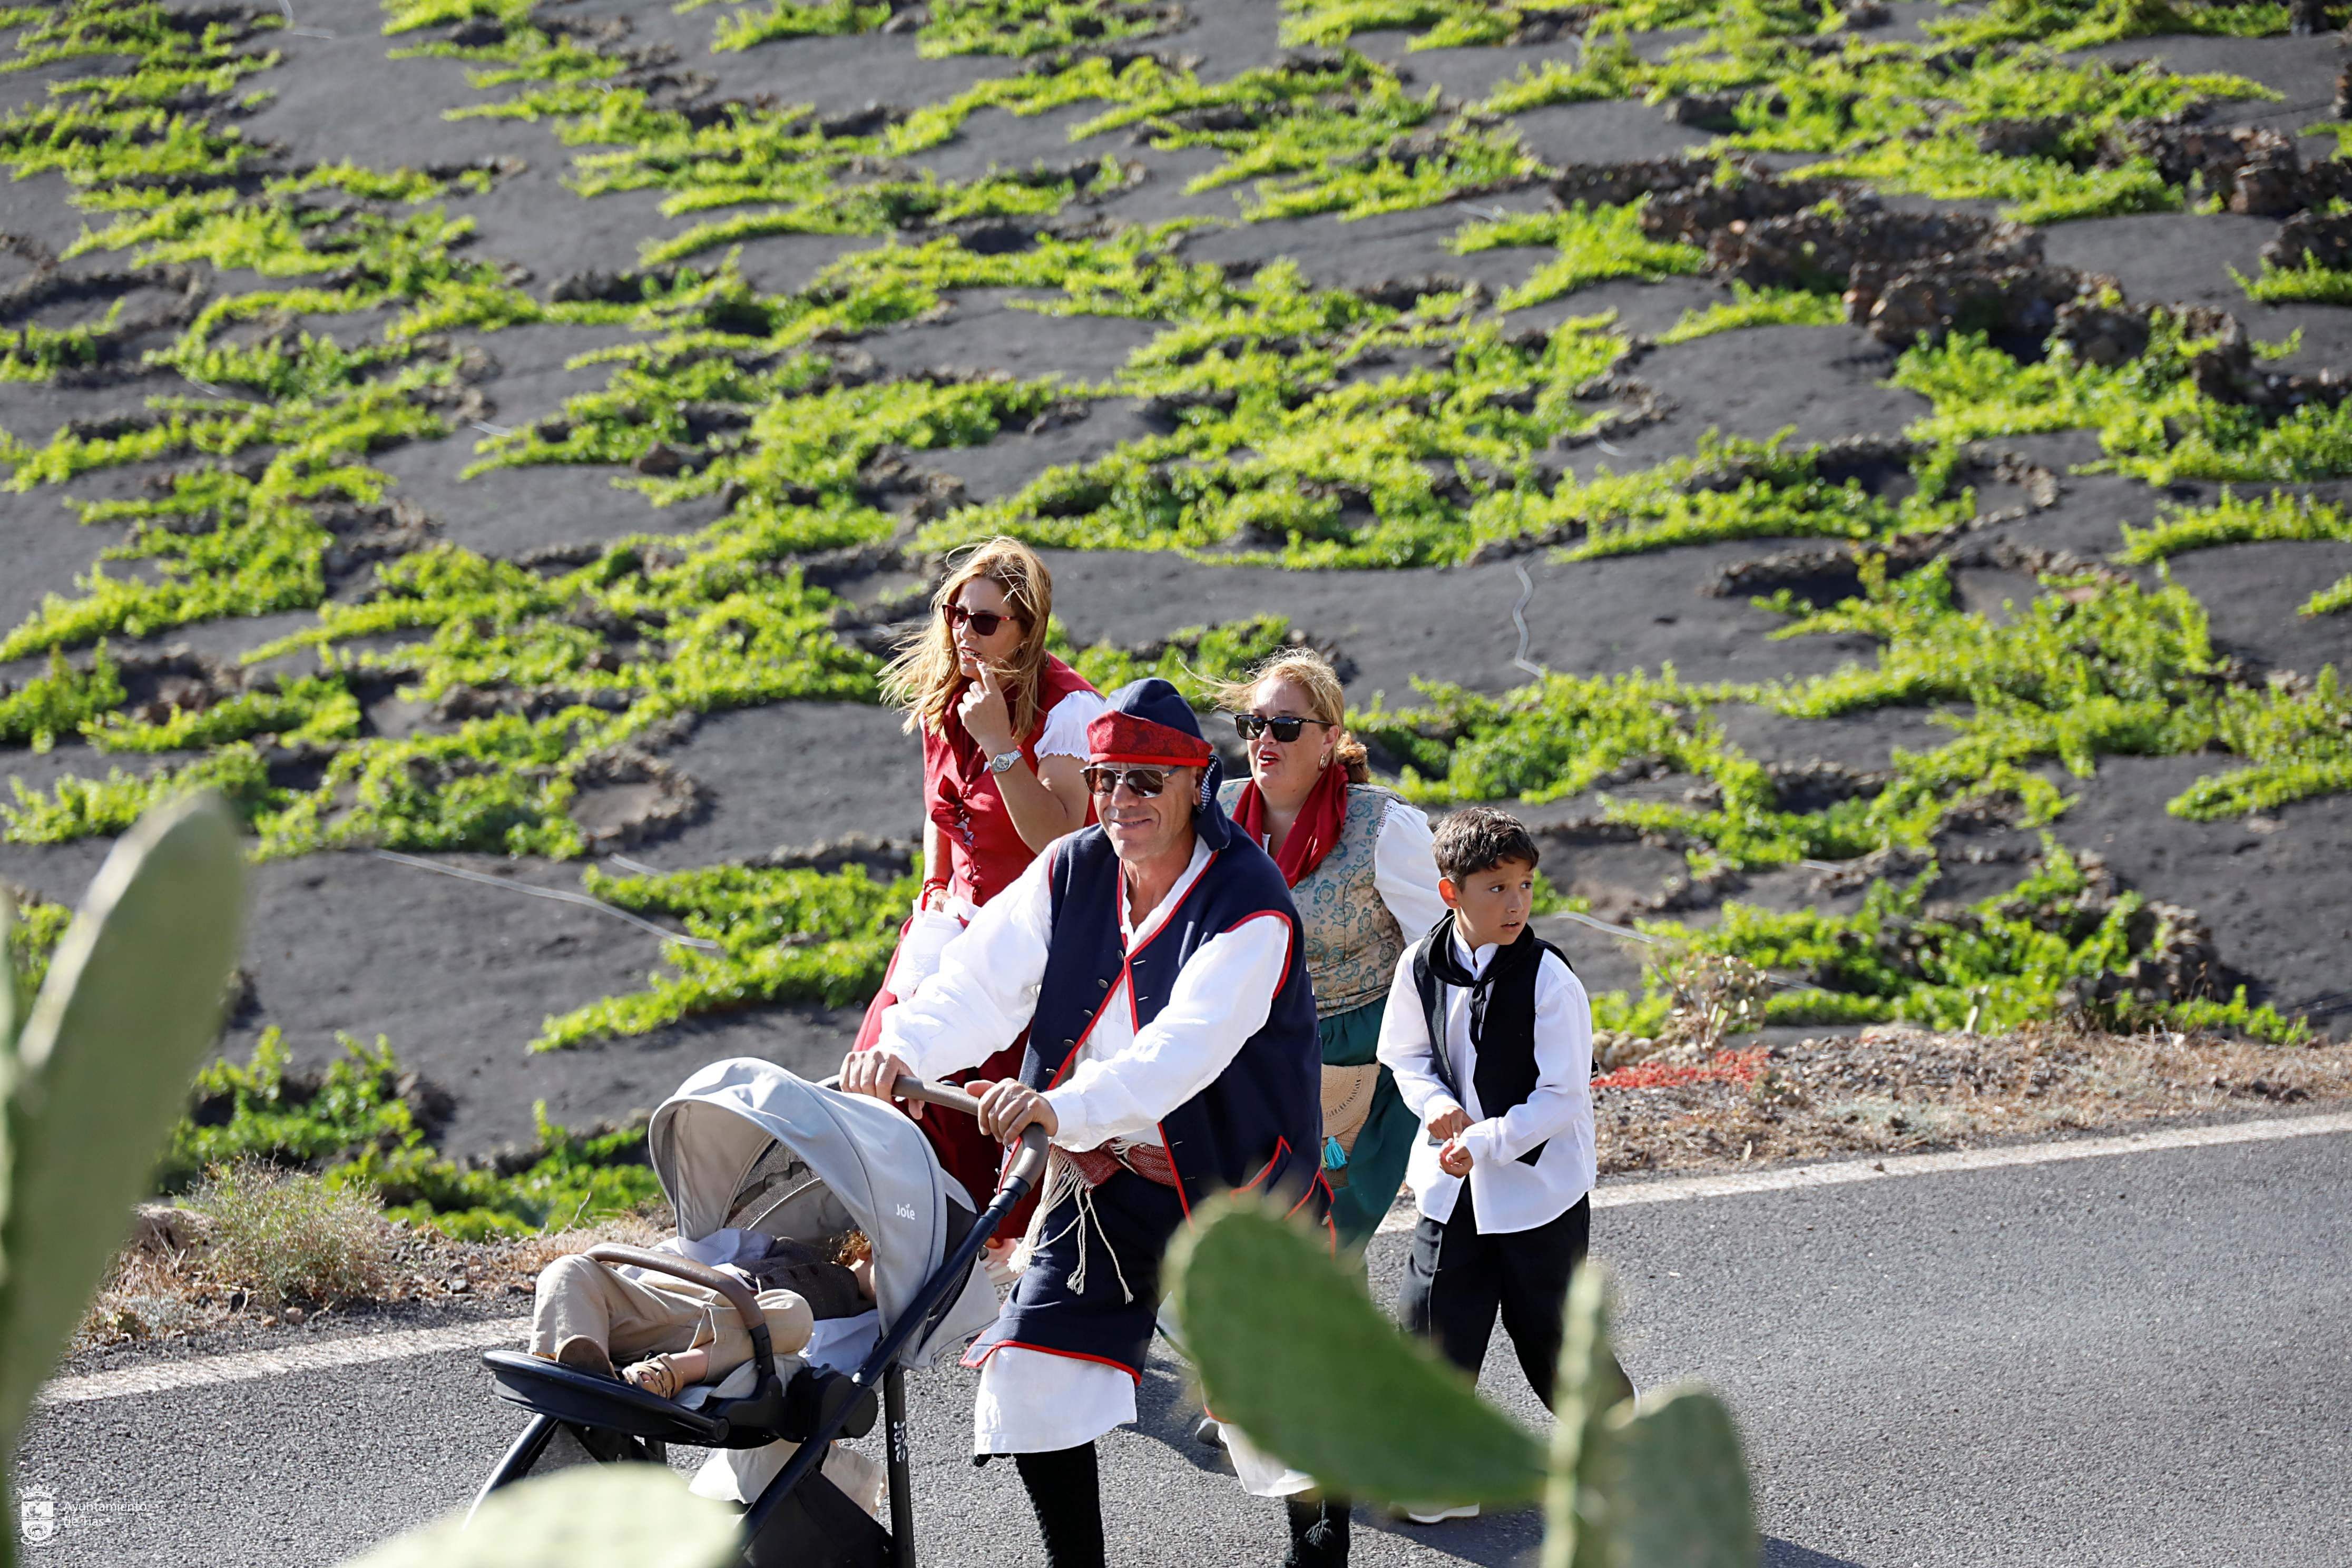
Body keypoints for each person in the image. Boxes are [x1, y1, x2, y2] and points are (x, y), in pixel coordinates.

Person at [840, 678, 1345, 1568]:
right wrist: (898, 1044)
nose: (1120, 800)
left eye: (1145, 781)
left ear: (1196, 782)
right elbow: (979, 982)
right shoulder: (1075, 866)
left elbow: (1182, 1055)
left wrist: (1054, 1106)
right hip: (1103, 1177)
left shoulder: (1247, 902)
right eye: (1108, 779)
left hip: (1232, 1189)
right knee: (1032, 1375)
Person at [858, 537, 1104, 1269]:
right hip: (951, 919)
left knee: (976, 1105)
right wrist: (933, 893)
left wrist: (999, 743)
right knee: (881, 1064)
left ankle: (955, 1248)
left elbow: (1059, 835)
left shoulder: (1066, 709)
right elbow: (942, 814)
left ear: (1027, 630)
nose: (965, 631)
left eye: (986, 621)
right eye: (954, 613)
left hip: (1024, 936)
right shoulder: (949, 692)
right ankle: (893, 1236)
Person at [1376, 807, 1596, 1527]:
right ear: (1451, 894)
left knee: (1554, 1340)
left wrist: (1491, 1141)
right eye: (1496, 888)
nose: (1516, 904)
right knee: (1430, 1325)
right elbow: (1405, 1056)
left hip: (1537, 1193)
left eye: (1525, 886)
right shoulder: (1419, 966)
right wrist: (1435, 1104)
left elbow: (1562, 1097)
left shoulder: (1550, 982)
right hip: (1451, 1185)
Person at [1214, 650, 1445, 1250]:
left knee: (1325, 1240)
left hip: (1356, 1056)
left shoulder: (1382, 826)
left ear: (1330, 739)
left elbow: (1442, 949)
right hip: (1251, 1048)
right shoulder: (1215, 816)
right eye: (1254, 725)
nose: (1266, 739)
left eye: (1286, 726)